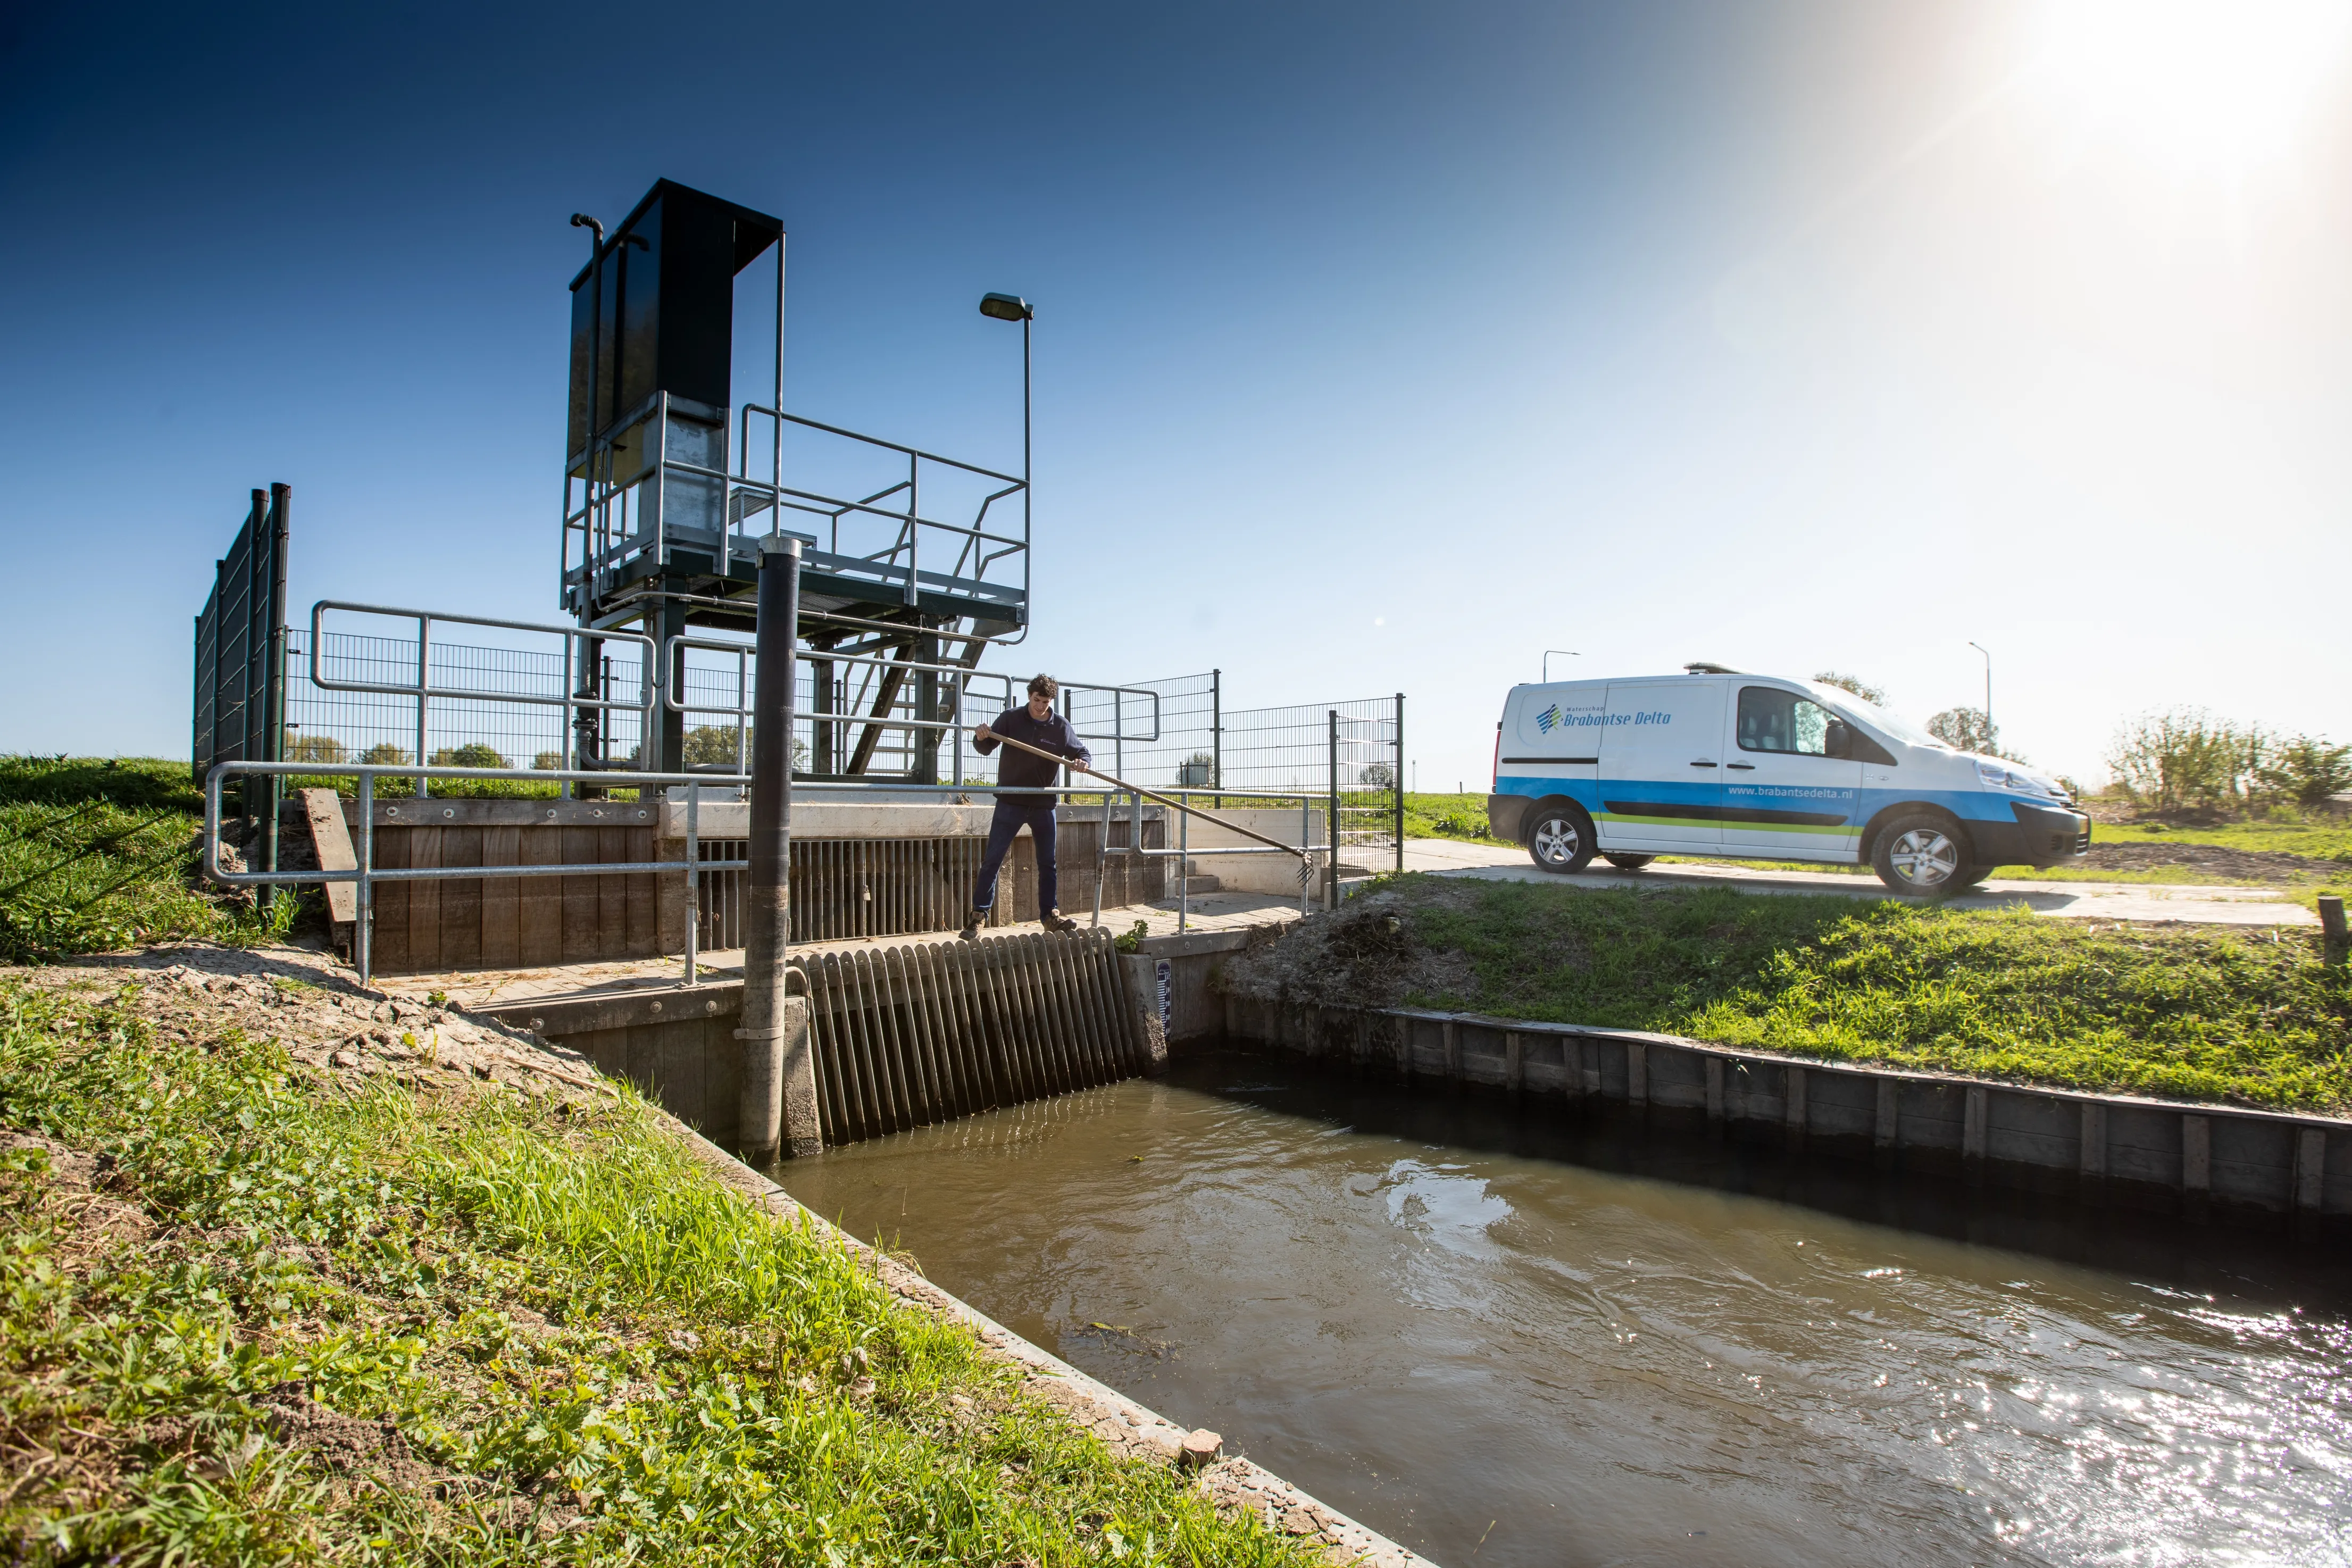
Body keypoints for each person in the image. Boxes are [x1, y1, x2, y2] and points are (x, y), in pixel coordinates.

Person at [963, 674, 1090, 939]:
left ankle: (1050, 917)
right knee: (993, 860)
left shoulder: (1061, 727)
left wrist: (1082, 761)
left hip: (1044, 804)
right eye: (1036, 700)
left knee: (1048, 863)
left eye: (1045, 702)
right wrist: (981, 735)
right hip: (1011, 802)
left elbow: (1081, 752)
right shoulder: (1011, 718)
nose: (1040, 706)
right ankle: (978, 917)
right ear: (1029, 696)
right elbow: (985, 747)